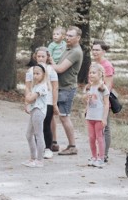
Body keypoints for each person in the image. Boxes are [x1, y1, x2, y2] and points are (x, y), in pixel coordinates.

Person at [52, 26, 83, 155]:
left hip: (67, 88)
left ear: (78, 38)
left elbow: (59, 69)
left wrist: (50, 60)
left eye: (71, 36)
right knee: (52, 115)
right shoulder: (67, 48)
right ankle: (53, 143)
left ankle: (72, 146)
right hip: (59, 87)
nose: (67, 37)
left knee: (64, 117)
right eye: (67, 35)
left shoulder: (76, 51)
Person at [24, 47, 59, 159]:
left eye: (43, 56)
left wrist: (54, 103)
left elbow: (55, 87)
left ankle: (48, 148)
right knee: (35, 127)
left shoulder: (51, 70)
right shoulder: (31, 71)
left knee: (46, 125)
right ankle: (37, 150)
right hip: (35, 102)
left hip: (47, 101)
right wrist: (26, 102)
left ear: (47, 57)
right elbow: (28, 87)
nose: (41, 58)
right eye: (38, 56)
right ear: (35, 57)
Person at [91, 39, 115, 162]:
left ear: (103, 51)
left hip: (103, 101)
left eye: (97, 50)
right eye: (93, 49)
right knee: (94, 129)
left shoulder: (107, 66)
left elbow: (108, 86)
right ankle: (97, 154)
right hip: (93, 102)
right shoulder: (93, 64)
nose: (94, 52)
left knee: (105, 127)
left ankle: (104, 155)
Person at [23, 64, 49, 167]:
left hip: (39, 111)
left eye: (37, 73)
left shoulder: (43, 86)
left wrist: (28, 97)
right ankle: (32, 158)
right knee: (29, 135)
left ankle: (39, 160)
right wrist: (28, 98)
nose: (35, 76)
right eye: (34, 73)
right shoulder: (36, 86)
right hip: (33, 110)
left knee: (38, 135)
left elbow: (29, 98)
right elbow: (28, 98)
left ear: (43, 74)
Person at [83, 63, 109, 168]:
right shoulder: (88, 87)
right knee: (91, 137)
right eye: (90, 72)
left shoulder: (103, 88)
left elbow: (107, 104)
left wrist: (104, 118)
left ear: (100, 74)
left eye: (93, 72)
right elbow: (84, 99)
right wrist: (86, 97)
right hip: (90, 116)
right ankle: (93, 157)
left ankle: (101, 158)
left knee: (99, 137)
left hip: (99, 117)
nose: (91, 74)